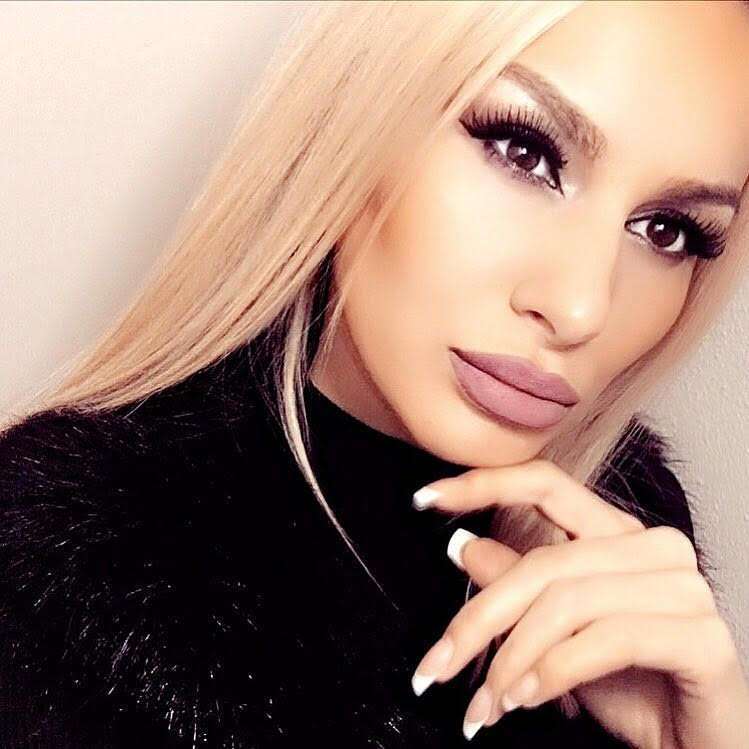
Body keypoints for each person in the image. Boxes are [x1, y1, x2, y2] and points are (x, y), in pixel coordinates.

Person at [1, 1, 748, 746]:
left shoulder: (622, 526)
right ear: (355, 114)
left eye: (668, 231)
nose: (582, 308)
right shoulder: (58, 566)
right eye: (522, 151)